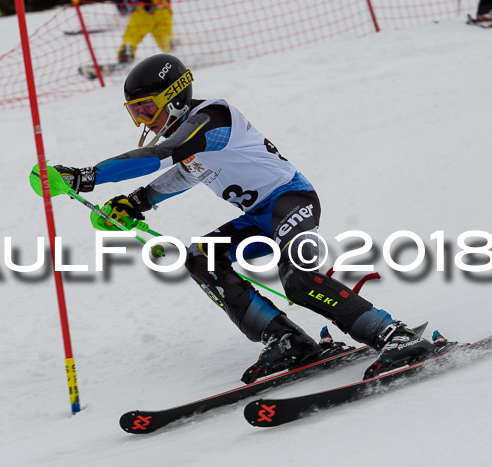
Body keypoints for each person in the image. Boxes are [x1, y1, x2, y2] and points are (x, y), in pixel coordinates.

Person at [53, 54, 447, 384]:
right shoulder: (191, 138)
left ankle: (393, 334)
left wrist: (86, 177)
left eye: (147, 107)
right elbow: (185, 172)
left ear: (173, 99)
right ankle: (287, 341)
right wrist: (138, 201)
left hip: (291, 201)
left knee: (297, 280)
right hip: (259, 216)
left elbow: (164, 154)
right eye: (133, 111)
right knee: (201, 258)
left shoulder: (212, 117)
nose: (142, 119)